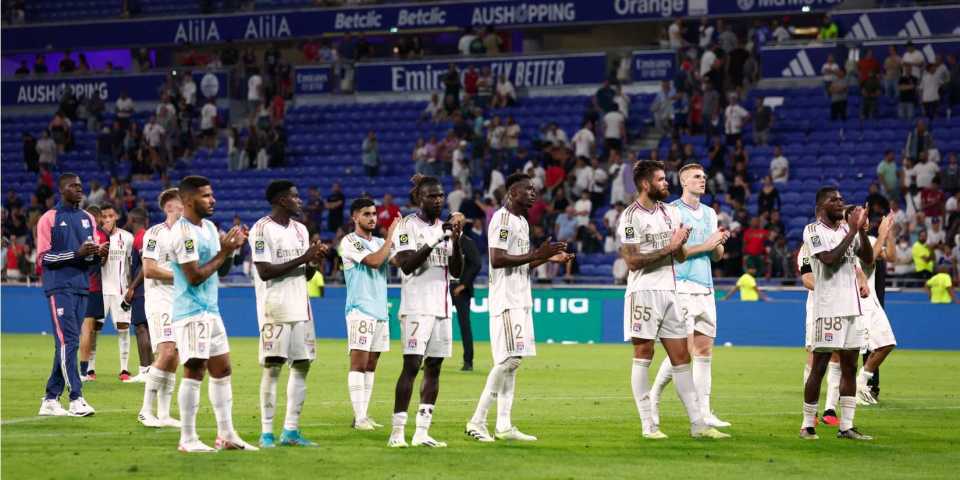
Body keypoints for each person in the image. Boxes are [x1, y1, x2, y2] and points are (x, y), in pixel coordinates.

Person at [617, 160, 729, 440]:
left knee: (682, 358)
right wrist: (670, 246)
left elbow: (679, 255)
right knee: (644, 355)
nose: (666, 183)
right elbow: (632, 261)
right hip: (643, 293)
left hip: (671, 291)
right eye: (660, 179)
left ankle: (698, 424)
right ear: (646, 184)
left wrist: (680, 244)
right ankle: (649, 424)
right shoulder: (630, 216)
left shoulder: (670, 212)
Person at [465, 173, 573, 443]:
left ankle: (504, 425)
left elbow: (522, 262)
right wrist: (538, 253)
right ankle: (477, 421)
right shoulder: (502, 220)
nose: (534, 193)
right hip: (506, 299)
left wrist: (548, 258)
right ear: (513, 193)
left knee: (513, 365)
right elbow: (497, 259)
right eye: (528, 189)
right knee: (509, 360)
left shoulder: (522, 222)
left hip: (521, 298)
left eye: (535, 189)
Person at [170, 175, 256, 452]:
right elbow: (194, 276)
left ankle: (227, 435)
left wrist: (231, 251)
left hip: (211, 309)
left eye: (211, 194)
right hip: (191, 311)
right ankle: (187, 438)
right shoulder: (183, 233)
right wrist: (224, 251)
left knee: (223, 369)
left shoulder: (208, 227)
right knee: (195, 369)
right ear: (188, 200)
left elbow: (222, 269)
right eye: (206, 195)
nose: (212, 200)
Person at [649, 164, 732, 430]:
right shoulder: (672, 211)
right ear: (684, 181)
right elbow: (676, 252)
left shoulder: (710, 213)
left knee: (704, 350)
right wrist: (707, 245)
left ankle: (705, 412)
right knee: (682, 350)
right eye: (697, 177)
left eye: (704, 177)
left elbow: (716, 256)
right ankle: (653, 396)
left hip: (706, 286)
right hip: (681, 285)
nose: (702, 180)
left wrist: (719, 242)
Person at [388, 175, 464, 448]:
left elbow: (456, 271)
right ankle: (397, 433)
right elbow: (407, 265)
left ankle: (422, 431)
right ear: (419, 198)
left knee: (434, 367)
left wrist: (455, 240)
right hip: (416, 307)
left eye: (441, 195)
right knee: (411, 366)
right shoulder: (407, 225)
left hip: (442, 308)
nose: (438, 200)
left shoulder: (446, 228)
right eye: (432, 196)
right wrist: (435, 239)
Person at [249, 181, 326, 448]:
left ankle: (290, 431)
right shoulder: (261, 229)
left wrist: (314, 260)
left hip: (301, 308)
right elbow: (265, 272)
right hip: (276, 308)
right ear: (282, 200)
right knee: (273, 367)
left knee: (302, 365)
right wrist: (304, 257)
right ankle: (266, 433)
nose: (299, 200)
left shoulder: (301, 229)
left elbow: (305, 275)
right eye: (295, 196)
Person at [800, 187, 874, 441]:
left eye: (842, 199)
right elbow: (829, 260)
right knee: (819, 367)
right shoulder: (813, 230)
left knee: (850, 367)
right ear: (821, 206)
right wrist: (852, 230)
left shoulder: (846, 230)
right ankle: (807, 424)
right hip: (828, 309)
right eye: (834, 200)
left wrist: (860, 231)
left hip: (852, 308)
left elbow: (868, 259)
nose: (841, 203)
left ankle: (847, 426)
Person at [35, 173, 104, 417]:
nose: (79, 189)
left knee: (66, 343)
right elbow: (43, 258)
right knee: (69, 341)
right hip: (59, 287)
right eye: (74, 186)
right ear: (62, 189)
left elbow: (89, 255)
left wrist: (97, 255)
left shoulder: (88, 218)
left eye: (80, 186)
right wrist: (77, 254)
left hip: (82, 286)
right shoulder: (49, 218)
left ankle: (50, 399)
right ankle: (76, 397)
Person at [340, 198, 398, 431]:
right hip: (360, 310)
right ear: (355, 217)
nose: (372, 218)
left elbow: (400, 262)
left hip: (380, 310)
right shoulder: (349, 241)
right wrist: (391, 237)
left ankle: (363, 414)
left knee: (371, 365)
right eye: (366, 214)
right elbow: (374, 261)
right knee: (359, 363)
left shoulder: (381, 242)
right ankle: (359, 417)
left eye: (374, 213)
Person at [137, 189, 184, 428]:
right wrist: (183, 276)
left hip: (181, 302)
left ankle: (164, 414)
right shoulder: (155, 233)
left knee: (175, 357)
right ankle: (145, 410)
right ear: (169, 207)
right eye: (182, 203)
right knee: (165, 353)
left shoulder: (188, 235)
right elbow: (149, 269)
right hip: (160, 301)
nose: (186, 207)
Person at [845, 208, 897, 405]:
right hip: (856, 301)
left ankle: (861, 383)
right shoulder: (848, 240)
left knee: (886, 343)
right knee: (848, 351)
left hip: (870, 300)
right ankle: (844, 392)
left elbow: (891, 256)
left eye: (865, 216)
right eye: (860, 216)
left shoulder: (871, 240)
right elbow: (869, 259)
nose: (865, 219)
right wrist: (883, 233)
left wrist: (889, 234)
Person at [98, 203, 136, 381]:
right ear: (100, 218)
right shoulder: (95, 237)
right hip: (100, 291)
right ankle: (89, 370)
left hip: (121, 290)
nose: (107, 219)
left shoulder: (127, 237)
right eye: (104, 216)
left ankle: (124, 369)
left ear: (116, 217)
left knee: (123, 328)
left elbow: (131, 265)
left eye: (110, 216)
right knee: (94, 329)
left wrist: (131, 287)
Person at [79, 205, 108, 381]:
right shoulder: (100, 235)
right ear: (96, 217)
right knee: (88, 330)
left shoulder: (82, 234)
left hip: (88, 286)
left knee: (90, 331)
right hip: (93, 288)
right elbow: (103, 260)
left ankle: (86, 370)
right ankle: (83, 372)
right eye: (102, 217)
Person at [450, 213, 481, 371]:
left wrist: (463, 285)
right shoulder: (444, 241)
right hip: (444, 287)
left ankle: (468, 361)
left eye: (456, 221)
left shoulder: (467, 242)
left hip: (460, 289)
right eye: (451, 220)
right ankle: (430, 358)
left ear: (461, 224)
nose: (453, 223)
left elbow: (476, 264)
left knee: (464, 325)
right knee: (435, 323)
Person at [125, 208, 151, 384]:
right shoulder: (145, 236)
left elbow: (145, 265)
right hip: (146, 289)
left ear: (133, 220)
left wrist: (132, 287)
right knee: (146, 329)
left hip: (142, 290)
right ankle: (151, 370)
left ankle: (145, 370)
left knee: (141, 329)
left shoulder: (141, 238)